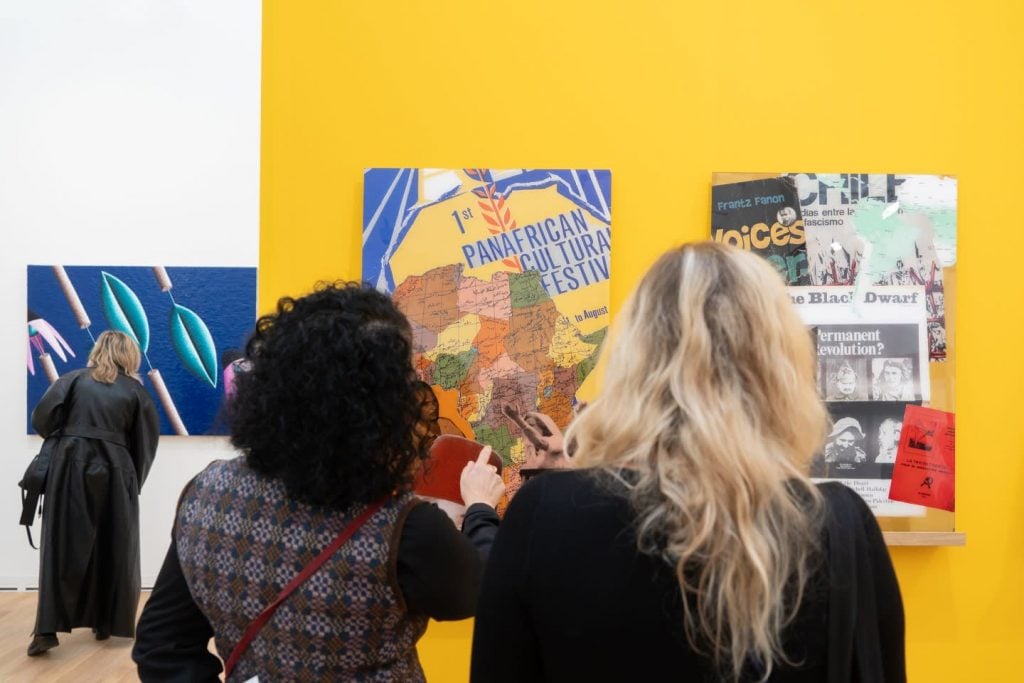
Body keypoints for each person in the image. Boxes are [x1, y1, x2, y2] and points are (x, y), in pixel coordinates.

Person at [471, 242, 905, 682]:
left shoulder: (545, 514)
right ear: (780, 366)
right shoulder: (836, 524)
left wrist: (570, 491)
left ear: (633, 360)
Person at [133, 282, 503, 682]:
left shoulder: (206, 493)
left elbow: (162, 645)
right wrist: (480, 507)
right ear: (381, 403)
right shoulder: (405, 526)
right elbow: (476, 590)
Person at [27, 330, 159, 656]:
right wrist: (133, 484)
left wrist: (72, 435)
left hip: (68, 466)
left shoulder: (71, 381)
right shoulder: (135, 392)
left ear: (98, 350)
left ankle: (46, 630)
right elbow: (145, 445)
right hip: (116, 471)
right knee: (114, 545)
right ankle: (106, 621)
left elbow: (42, 421)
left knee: (61, 545)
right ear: (129, 355)